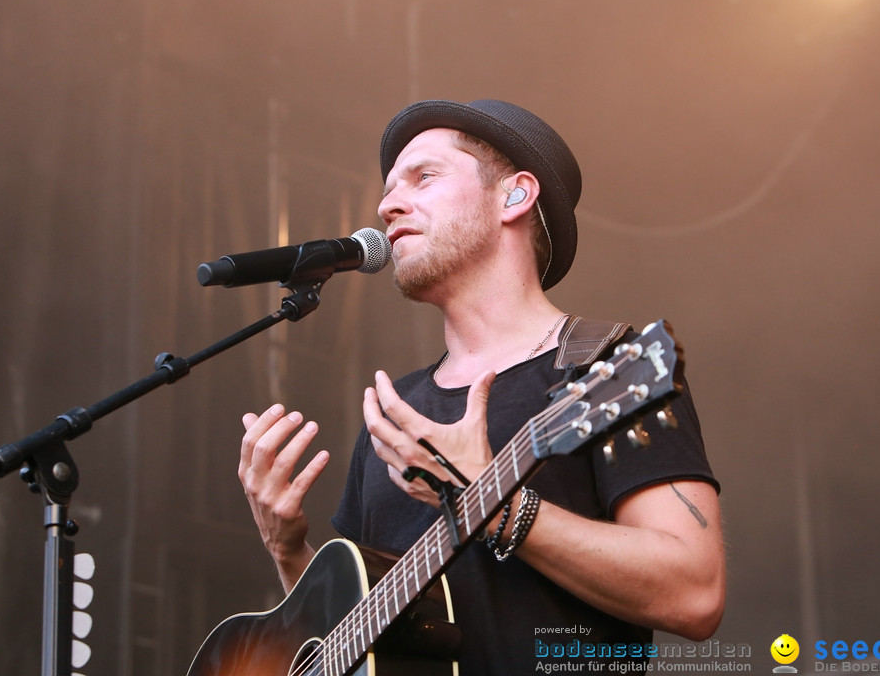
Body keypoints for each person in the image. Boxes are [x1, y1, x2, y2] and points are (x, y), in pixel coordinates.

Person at [238, 99, 725, 674]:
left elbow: (695, 594)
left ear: (515, 196)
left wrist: (493, 507)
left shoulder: (608, 366)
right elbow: (364, 644)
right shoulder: (396, 415)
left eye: (424, 176)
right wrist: (289, 553)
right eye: (389, 187)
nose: (386, 205)